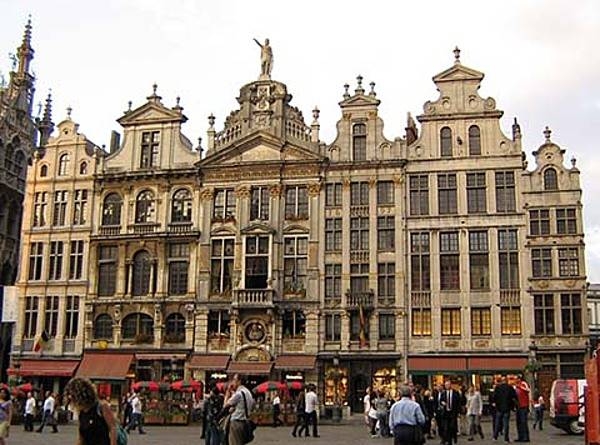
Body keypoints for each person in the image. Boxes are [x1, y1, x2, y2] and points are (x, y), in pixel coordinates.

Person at [64, 377, 117, 445]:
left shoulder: (102, 406)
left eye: (73, 396)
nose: (70, 398)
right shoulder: (81, 412)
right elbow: (81, 437)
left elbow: (113, 428)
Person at [222, 373, 254, 445]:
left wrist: (227, 393)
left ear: (239, 381)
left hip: (236, 422)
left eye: (234, 380)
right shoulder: (247, 392)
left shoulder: (238, 394)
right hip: (245, 422)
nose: (232, 382)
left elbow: (225, 405)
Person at [491, 376, 517, 442]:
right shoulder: (509, 387)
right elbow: (514, 397)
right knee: (506, 424)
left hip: (499, 408)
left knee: (497, 422)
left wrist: (495, 403)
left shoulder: (498, 387)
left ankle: (495, 437)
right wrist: (513, 406)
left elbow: (494, 397)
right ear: (506, 380)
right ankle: (506, 439)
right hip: (507, 407)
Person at [439, 381, 461, 445]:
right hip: (445, 413)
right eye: (445, 385)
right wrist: (442, 403)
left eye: (448, 385)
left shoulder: (455, 393)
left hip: (453, 412)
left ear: (450, 385)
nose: (447, 386)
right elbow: (441, 401)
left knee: (452, 427)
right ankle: (448, 440)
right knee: (446, 428)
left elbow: (458, 403)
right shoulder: (443, 393)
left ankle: (452, 438)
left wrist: (458, 412)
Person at [514, 377, 531, 442]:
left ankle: (526, 437)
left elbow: (528, 390)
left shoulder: (523, 383)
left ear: (519, 379)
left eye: (516, 379)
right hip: (518, 406)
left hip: (524, 406)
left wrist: (520, 386)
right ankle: (520, 436)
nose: (515, 380)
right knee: (518, 422)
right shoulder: (515, 387)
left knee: (523, 422)